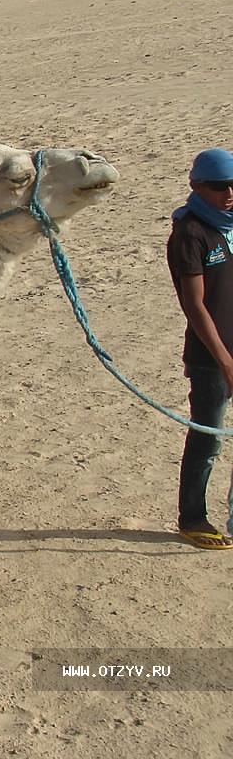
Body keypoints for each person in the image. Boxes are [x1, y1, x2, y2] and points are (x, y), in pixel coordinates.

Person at [167, 147, 233, 549]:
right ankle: (192, 518)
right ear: (196, 186)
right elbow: (194, 305)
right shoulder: (189, 233)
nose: (229, 193)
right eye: (219, 186)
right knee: (207, 440)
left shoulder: (230, 225)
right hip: (211, 358)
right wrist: (225, 360)